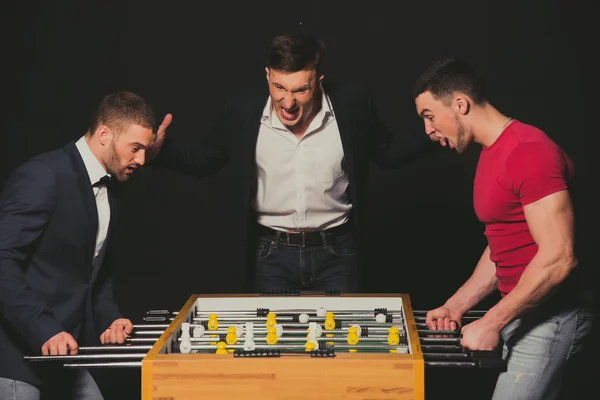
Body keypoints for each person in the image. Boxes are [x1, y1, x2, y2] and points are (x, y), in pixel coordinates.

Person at [147, 33, 438, 293]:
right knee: (275, 347)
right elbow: (208, 159)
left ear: (318, 81)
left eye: (300, 90)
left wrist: (438, 132)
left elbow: (386, 151)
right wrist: (160, 152)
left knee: (344, 347)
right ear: (267, 77)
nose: (288, 102)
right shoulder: (242, 109)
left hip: (338, 251)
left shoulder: (352, 104)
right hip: (270, 254)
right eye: (279, 88)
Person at [414, 57, 594, 399]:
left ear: (460, 104)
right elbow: (504, 244)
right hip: (524, 313)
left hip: (551, 319)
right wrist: (457, 305)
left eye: (430, 116)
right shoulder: (491, 152)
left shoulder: (529, 152)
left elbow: (560, 256)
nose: (428, 131)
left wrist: (491, 321)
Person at [0, 91, 158, 399]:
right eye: (135, 148)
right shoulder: (44, 175)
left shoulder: (110, 188)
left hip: (63, 353)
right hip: (15, 356)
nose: (141, 160)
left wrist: (110, 318)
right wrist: (43, 329)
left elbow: (92, 271)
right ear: (103, 134)